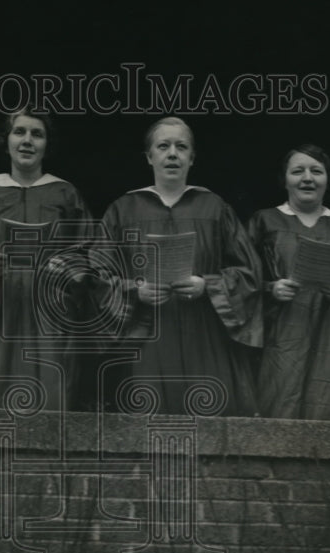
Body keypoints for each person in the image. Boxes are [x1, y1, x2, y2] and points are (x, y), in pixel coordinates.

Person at [98, 117, 264, 417]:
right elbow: (96, 277)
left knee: (212, 421)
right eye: (163, 146)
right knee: (148, 423)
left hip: (205, 335)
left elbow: (249, 273)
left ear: (192, 157)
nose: (172, 153)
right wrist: (135, 289)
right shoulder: (123, 210)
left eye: (181, 146)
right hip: (146, 337)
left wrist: (209, 285)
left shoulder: (214, 208)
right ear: (150, 157)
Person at [0, 108, 92, 412]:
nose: (27, 140)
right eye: (19, 132)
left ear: (47, 144)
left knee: (48, 408)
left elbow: (90, 251)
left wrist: (71, 268)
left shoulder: (65, 196)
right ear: (5, 140)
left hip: (48, 320)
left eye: (37, 134)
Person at [245, 143, 330, 422]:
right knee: (278, 412)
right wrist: (270, 288)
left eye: (316, 171)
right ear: (285, 179)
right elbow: (239, 277)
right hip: (281, 339)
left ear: (327, 180)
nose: (307, 178)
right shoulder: (265, 221)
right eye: (298, 171)